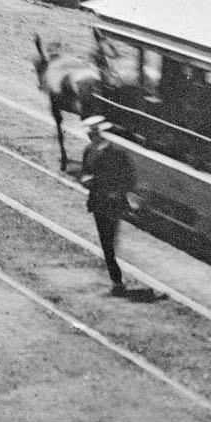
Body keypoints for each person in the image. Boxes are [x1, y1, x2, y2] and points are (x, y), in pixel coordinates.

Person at [80, 116, 135, 294]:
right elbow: (85, 173)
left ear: (100, 134)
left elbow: (130, 177)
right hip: (98, 201)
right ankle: (116, 279)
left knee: (109, 240)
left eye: (94, 133)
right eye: (90, 133)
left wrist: (118, 191)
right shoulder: (89, 151)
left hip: (113, 202)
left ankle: (116, 279)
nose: (92, 136)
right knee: (106, 242)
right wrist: (86, 180)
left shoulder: (117, 153)